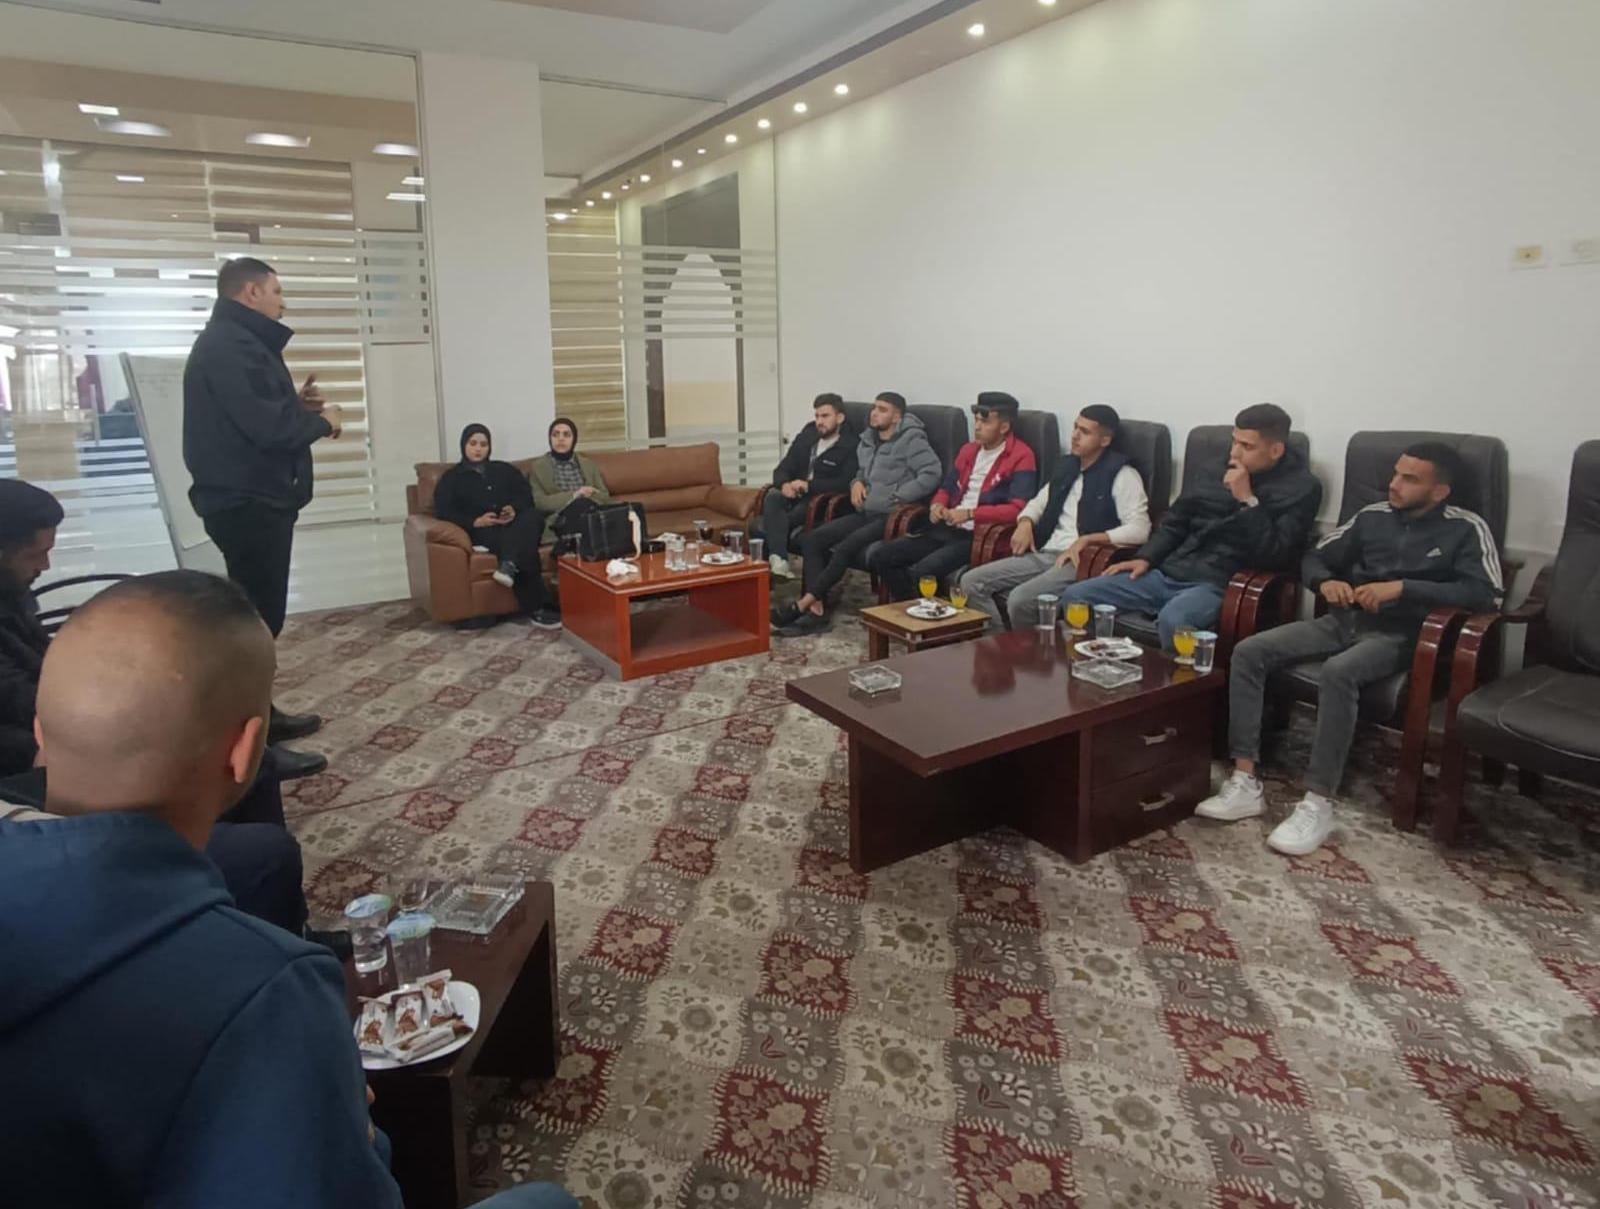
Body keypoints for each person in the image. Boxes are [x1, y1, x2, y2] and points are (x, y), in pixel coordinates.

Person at [0, 570, 576, 1209]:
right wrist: (356, 1133)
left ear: (40, 733)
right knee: (548, 1202)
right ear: (246, 753)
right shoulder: (270, 989)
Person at [0, 479, 308, 933]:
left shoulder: (12, 595)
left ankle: (219, 872)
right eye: (34, 555)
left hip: (67, 732)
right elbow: (28, 697)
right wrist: (61, 736)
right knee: (262, 844)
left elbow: (46, 674)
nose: (45, 566)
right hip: (40, 765)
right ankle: (213, 893)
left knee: (247, 760)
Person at [1199, 443, 1501, 855]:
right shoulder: (1372, 516)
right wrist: (1325, 582)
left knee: (1339, 671)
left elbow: (1486, 594)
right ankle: (1245, 780)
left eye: (1409, 479)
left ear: (1440, 491)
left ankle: (1318, 802)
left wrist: (1403, 589)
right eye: (1395, 473)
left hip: (1402, 635)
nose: (1394, 484)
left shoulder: (1466, 528)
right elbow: (1314, 557)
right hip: (1343, 621)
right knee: (1250, 651)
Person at [183, 255, 336, 778]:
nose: (282, 302)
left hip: (253, 499)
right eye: (276, 291)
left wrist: (297, 406)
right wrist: (324, 422)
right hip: (248, 502)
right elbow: (270, 431)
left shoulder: (238, 343)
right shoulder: (230, 346)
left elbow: (255, 417)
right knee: (252, 627)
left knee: (258, 621)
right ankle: (252, 747)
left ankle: (262, 719)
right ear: (250, 293)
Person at [1057, 403, 1322, 651]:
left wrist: (1248, 501)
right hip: (1170, 571)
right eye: (1234, 441)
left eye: (1247, 446)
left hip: (1222, 584)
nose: (1234, 453)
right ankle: (1096, 670)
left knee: (1175, 621)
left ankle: (1178, 686)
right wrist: (1146, 558)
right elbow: (1175, 522)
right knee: (1076, 596)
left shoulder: (1301, 488)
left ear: (1276, 450)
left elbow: (1277, 554)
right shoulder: (1212, 470)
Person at [960, 404, 1150, 630]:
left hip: (1082, 561)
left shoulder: (1123, 475)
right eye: (1075, 427)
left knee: (1021, 599)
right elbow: (1038, 503)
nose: (1075, 435)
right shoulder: (1067, 465)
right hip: (1046, 551)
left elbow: (1141, 529)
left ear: (1105, 440)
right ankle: (999, 644)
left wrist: (1088, 539)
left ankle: (1032, 651)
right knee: (971, 582)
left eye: (1085, 432)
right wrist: (1025, 522)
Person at [772, 391, 942, 636]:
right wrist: (856, 484)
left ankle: (805, 605)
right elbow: (861, 472)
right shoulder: (868, 440)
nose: (874, 413)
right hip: (865, 511)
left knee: (845, 548)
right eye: (874, 408)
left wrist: (900, 495)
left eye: (882, 409)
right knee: (813, 539)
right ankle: (817, 609)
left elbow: (931, 473)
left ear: (897, 417)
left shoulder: (912, 439)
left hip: (891, 516)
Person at [867, 392, 1037, 601]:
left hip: (979, 536)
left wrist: (970, 514)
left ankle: (922, 614)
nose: (977, 426)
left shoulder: (1022, 456)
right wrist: (937, 505)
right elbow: (946, 488)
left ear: (1004, 427)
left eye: (985, 422)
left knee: (923, 573)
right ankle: (913, 611)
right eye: (976, 420)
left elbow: (1017, 509)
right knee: (882, 557)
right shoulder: (968, 450)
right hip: (947, 527)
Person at [433, 424, 561, 629]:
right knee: (525, 548)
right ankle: (538, 607)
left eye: (483, 444)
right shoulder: (451, 479)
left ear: (489, 447)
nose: (478, 449)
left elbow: (526, 497)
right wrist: (475, 521)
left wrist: (513, 509)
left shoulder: (504, 470)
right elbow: (443, 511)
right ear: (464, 445)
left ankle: (509, 563)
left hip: (513, 524)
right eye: (473, 443)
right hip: (484, 530)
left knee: (532, 517)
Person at [760, 392, 858, 580]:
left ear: (840, 418)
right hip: (795, 494)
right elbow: (782, 468)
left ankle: (776, 563)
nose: (819, 421)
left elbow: (845, 483)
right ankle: (779, 561)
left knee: (778, 519)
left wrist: (809, 486)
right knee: (772, 497)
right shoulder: (808, 436)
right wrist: (784, 484)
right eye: (817, 416)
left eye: (825, 416)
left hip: (821, 501)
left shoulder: (850, 445)